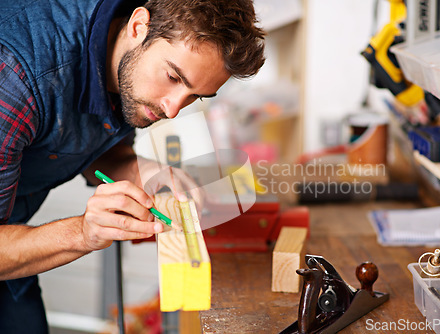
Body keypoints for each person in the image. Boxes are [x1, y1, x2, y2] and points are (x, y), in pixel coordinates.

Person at [0, 0, 265, 332]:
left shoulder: (127, 59)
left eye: (195, 96)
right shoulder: (14, 78)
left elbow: (86, 145)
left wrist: (145, 171)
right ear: (139, 26)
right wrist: (83, 233)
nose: (172, 110)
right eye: (172, 77)